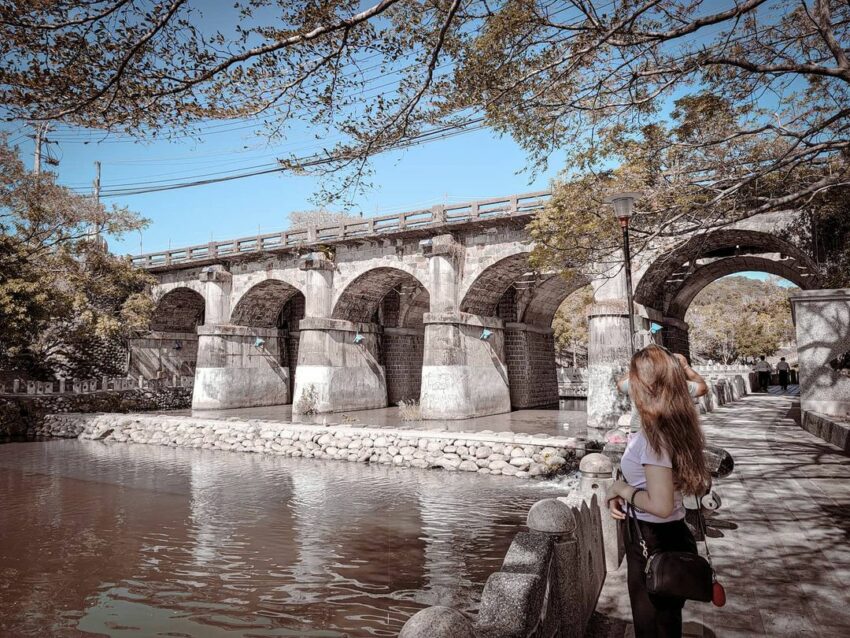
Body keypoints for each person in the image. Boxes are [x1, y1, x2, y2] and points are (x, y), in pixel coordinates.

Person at [607, 344, 710, 638]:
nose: (630, 387)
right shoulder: (676, 426)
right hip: (667, 532)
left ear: (644, 386)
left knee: (650, 621)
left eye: (635, 380)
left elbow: (661, 505)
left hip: (651, 536)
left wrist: (621, 488)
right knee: (665, 618)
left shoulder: (654, 439)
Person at [617, 351, 708, 432]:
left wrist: (635, 367)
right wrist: (685, 366)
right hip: (668, 435)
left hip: (640, 433)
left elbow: (620, 385)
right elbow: (703, 388)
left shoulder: (635, 383)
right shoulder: (677, 384)